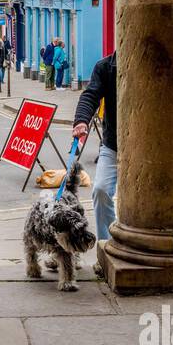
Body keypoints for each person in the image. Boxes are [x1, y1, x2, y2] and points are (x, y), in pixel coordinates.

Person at [73, 52, 117, 278]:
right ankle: (107, 250)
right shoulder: (106, 67)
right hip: (113, 145)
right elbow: (90, 96)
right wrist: (81, 120)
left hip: (148, 146)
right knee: (100, 190)